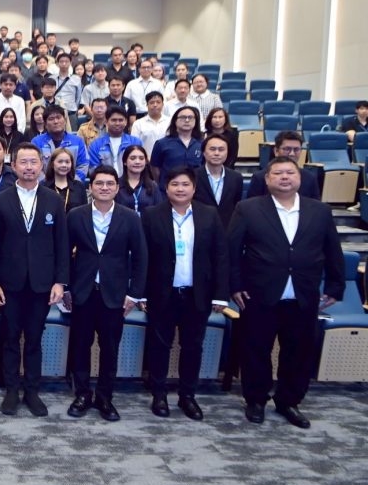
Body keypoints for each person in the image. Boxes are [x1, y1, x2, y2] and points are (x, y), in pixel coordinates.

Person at [228, 156, 344, 429]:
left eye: (290, 172)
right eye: (277, 173)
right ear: (267, 179)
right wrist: (234, 285)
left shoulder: (320, 211)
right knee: (256, 349)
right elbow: (232, 251)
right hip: (259, 294)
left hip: (303, 294)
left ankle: (288, 401)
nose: (284, 177)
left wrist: (335, 285)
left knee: (299, 351)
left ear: (300, 178)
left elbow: (332, 250)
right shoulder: (248, 208)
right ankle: (256, 400)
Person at [0, 142, 70, 417]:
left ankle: (32, 391)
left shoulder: (53, 200)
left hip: (42, 284)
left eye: (34, 162)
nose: (29, 167)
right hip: (9, 284)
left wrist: (60, 282)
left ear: (41, 165)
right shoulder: (0, 200)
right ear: (13, 166)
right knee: (10, 338)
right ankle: (11, 390)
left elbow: (62, 244)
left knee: (34, 339)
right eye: (23, 162)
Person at [141, 167, 229, 421]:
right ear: (166, 188)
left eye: (185, 184)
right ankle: (159, 394)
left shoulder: (209, 215)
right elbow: (143, 257)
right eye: (175, 184)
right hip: (162, 294)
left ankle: (187, 396)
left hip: (197, 294)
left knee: (192, 347)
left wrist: (220, 294)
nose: (180, 189)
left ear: (194, 188)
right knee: (159, 346)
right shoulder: (151, 215)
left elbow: (220, 256)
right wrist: (142, 293)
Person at [64, 166, 147, 422]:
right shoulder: (75, 215)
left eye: (110, 183)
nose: (104, 188)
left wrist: (135, 294)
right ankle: (82, 394)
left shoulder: (130, 217)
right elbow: (64, 254)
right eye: (99, 183)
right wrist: (65, 287)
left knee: (110, 349)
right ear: (90, 187)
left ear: (117, 188)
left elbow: (141, 257)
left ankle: (105, 397)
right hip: (83, 292)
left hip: (115, 294)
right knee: (80, 346)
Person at [247, 131, 321, 200]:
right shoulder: (259, 178)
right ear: (276, 151)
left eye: (296, 149)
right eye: (287, 149)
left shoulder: (310, 178)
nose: (292, 154)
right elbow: (252, 206)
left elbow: (315, 206)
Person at [194, 133, 244, 228]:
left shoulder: (236, 178)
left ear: (227, 153)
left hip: (227, 229)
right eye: (212, 149)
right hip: (200, 227)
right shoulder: (193, 176)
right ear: (204, 152)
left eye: (221, 149)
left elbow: (236, 205)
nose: (217, 153)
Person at [150, 106, 203, 187]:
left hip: (196, 189)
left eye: (190, 117)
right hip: (167, 189)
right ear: (175, 121)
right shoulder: (162, 143)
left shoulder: (202, 144)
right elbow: (155, 168)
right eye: (183, 117)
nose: (187, 120)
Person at [32, 106, 89, 181]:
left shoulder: (78, 141)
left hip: (73, 184)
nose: (56, 121)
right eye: (51, 119)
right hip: (45, 185)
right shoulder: (36, 142)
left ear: (65, 121)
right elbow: (35, 166)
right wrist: (47, 184)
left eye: (58, 117)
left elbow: (83, 166)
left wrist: (71, 183)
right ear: (45, 124)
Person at [87, 106, 142, 177]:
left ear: (126, 122)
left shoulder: (135, 142)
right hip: (105, 182)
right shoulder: (96, 145)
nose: (117, 123)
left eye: (121, 120)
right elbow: (94, 170)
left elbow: (141, 166)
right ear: (106, 122)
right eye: (113, 120)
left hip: (131, 181)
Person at [116, 145, 165, 213]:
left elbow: (160, 211)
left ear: (146, 162)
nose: (137, 162)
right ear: (125, 162)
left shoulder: (153, 185)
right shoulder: (116, 185)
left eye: (141, 158)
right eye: (133, 158)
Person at [43, 147, 87, 212]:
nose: (64, 165)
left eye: (67, 162)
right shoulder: (43, 186)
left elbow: (84, 212)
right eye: (60, 162)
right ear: (52, 164)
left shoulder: (79, 187)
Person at [132, 92, 171, 156]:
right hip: (145, 159)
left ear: (163, 104)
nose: (155, 105)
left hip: (167, 158)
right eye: (152, 102)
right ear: (147, 105)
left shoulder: (170, 122)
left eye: (158, 102)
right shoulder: (138, 124)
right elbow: (134, 145)